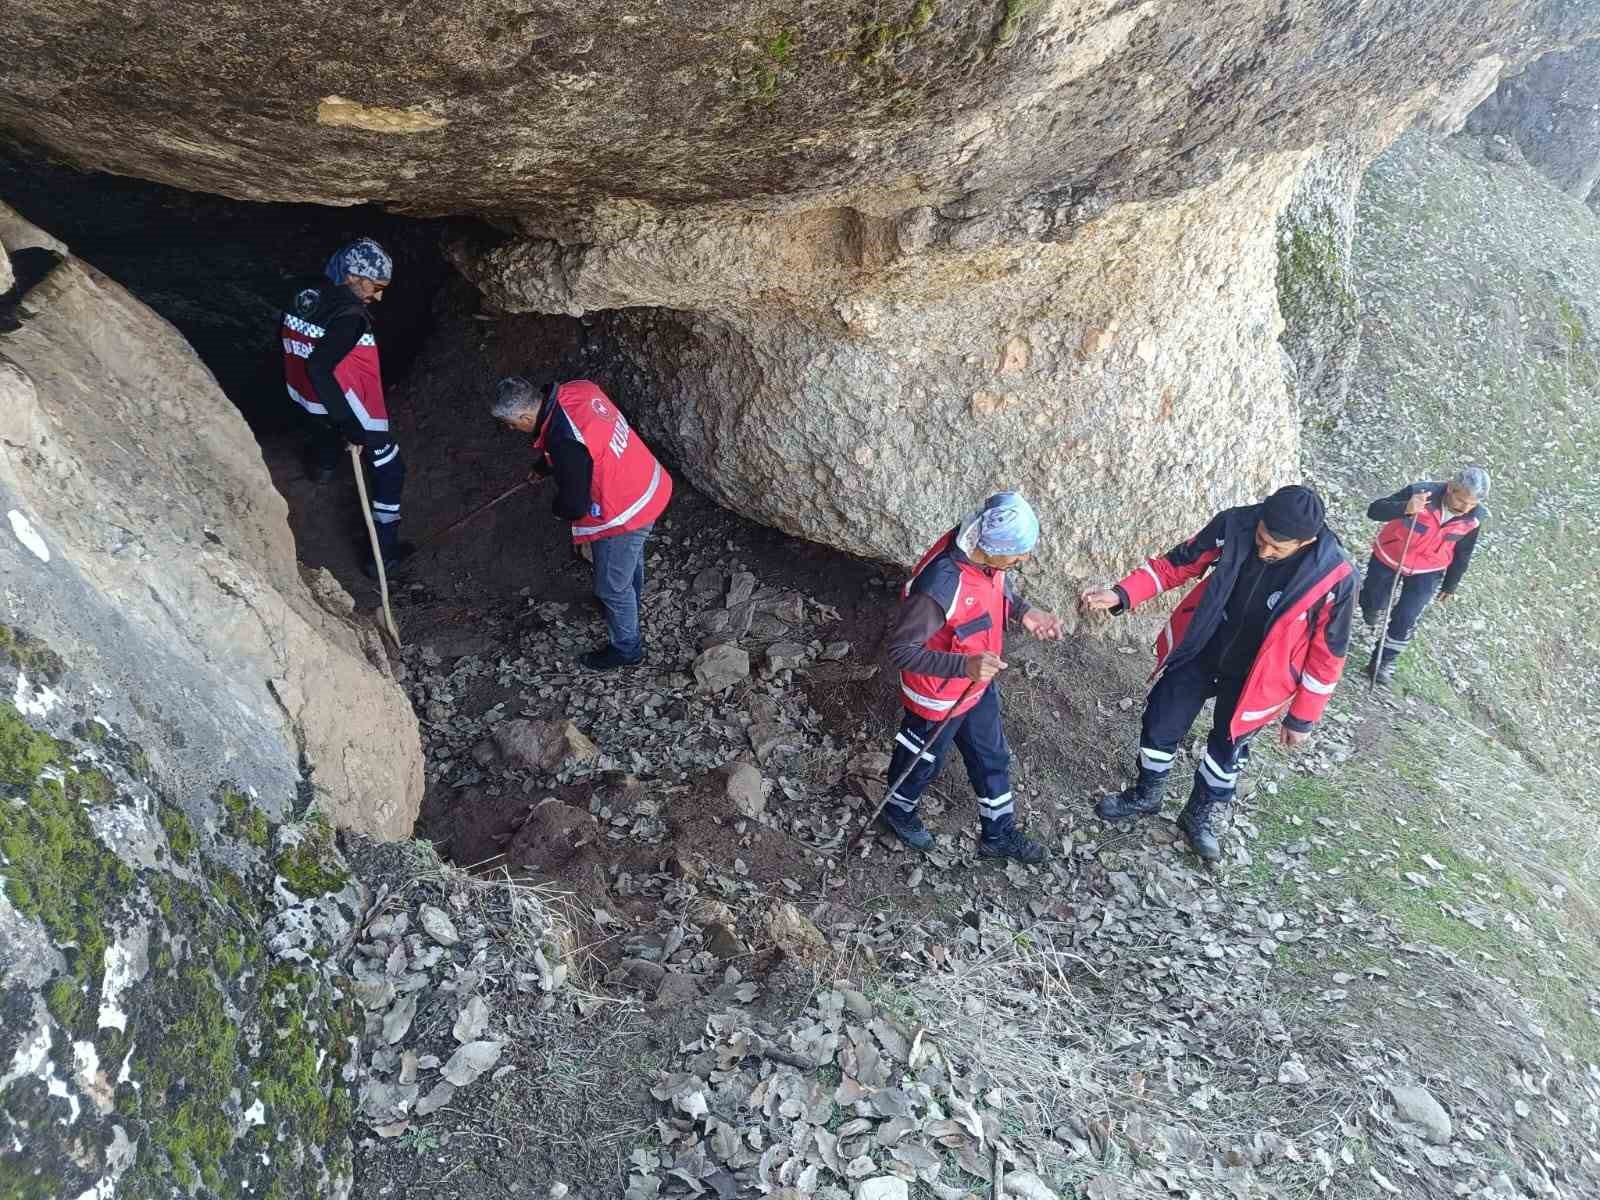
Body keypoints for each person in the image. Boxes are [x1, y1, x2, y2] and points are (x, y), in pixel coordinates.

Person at [1078, 485, 1357, 862]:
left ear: (1306, 541)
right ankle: (1148, 793)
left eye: (1277, 548)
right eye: (1261, 539)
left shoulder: (1335, 576)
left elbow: (1328, 654)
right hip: (1205, 644)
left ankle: (1202, 814)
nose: (1264, 551)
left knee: (1227, 748)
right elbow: (1177, 563)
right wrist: (1122, 594)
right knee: (1161, 719)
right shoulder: (1236, 523)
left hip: (1260, 675)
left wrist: (1303, 718)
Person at [880, 492, 1066, 864]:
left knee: (991, 755)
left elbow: (995, 584)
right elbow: (901, 650)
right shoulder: (940, 585)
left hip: (976, 683)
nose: (1023, 560)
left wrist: (1024, 612)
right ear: (990, 548)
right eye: (1017, 554)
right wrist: (964, 667)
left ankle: (998, 833)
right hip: (937, 696)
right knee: (921, 761)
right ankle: (897, 811)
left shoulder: (981, 550)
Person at [491, 377, 673, 670]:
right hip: (647, 481)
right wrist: (544, 467)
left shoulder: (563, 440)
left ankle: (627, 649)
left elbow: (574, 504)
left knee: (611, 587)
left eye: (512, 424)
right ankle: (629, 603)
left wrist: (556, 509)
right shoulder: (578, 389)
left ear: (526, 416)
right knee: (629, 560)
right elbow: (584, 442)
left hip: (627, 510)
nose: (512, 429)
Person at [280, 237, 408, 577]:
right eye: (376, 286)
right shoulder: (349, 316)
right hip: (342, 405)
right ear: (356, 276)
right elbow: (320, 367)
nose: (378, 296)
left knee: (321, 433)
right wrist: (350, 425)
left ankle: (321, 469)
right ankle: (383, 554)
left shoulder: (305, 291)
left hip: (303, 397)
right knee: (390, 467)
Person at [1360, 467, 1489, 684]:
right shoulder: (1420, 492)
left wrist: (1451, 584)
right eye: (1461, 500)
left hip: (1429, 569)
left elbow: (1463, 552)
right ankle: (1370, 607)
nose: (1465, 508)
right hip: (1390, 556)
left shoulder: (1474, 518)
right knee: (1374, 600)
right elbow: (1374, 510)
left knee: (1407, 616)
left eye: (1472, 504)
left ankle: (1383, 662)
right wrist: (1405, 507)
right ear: (1451, 488)